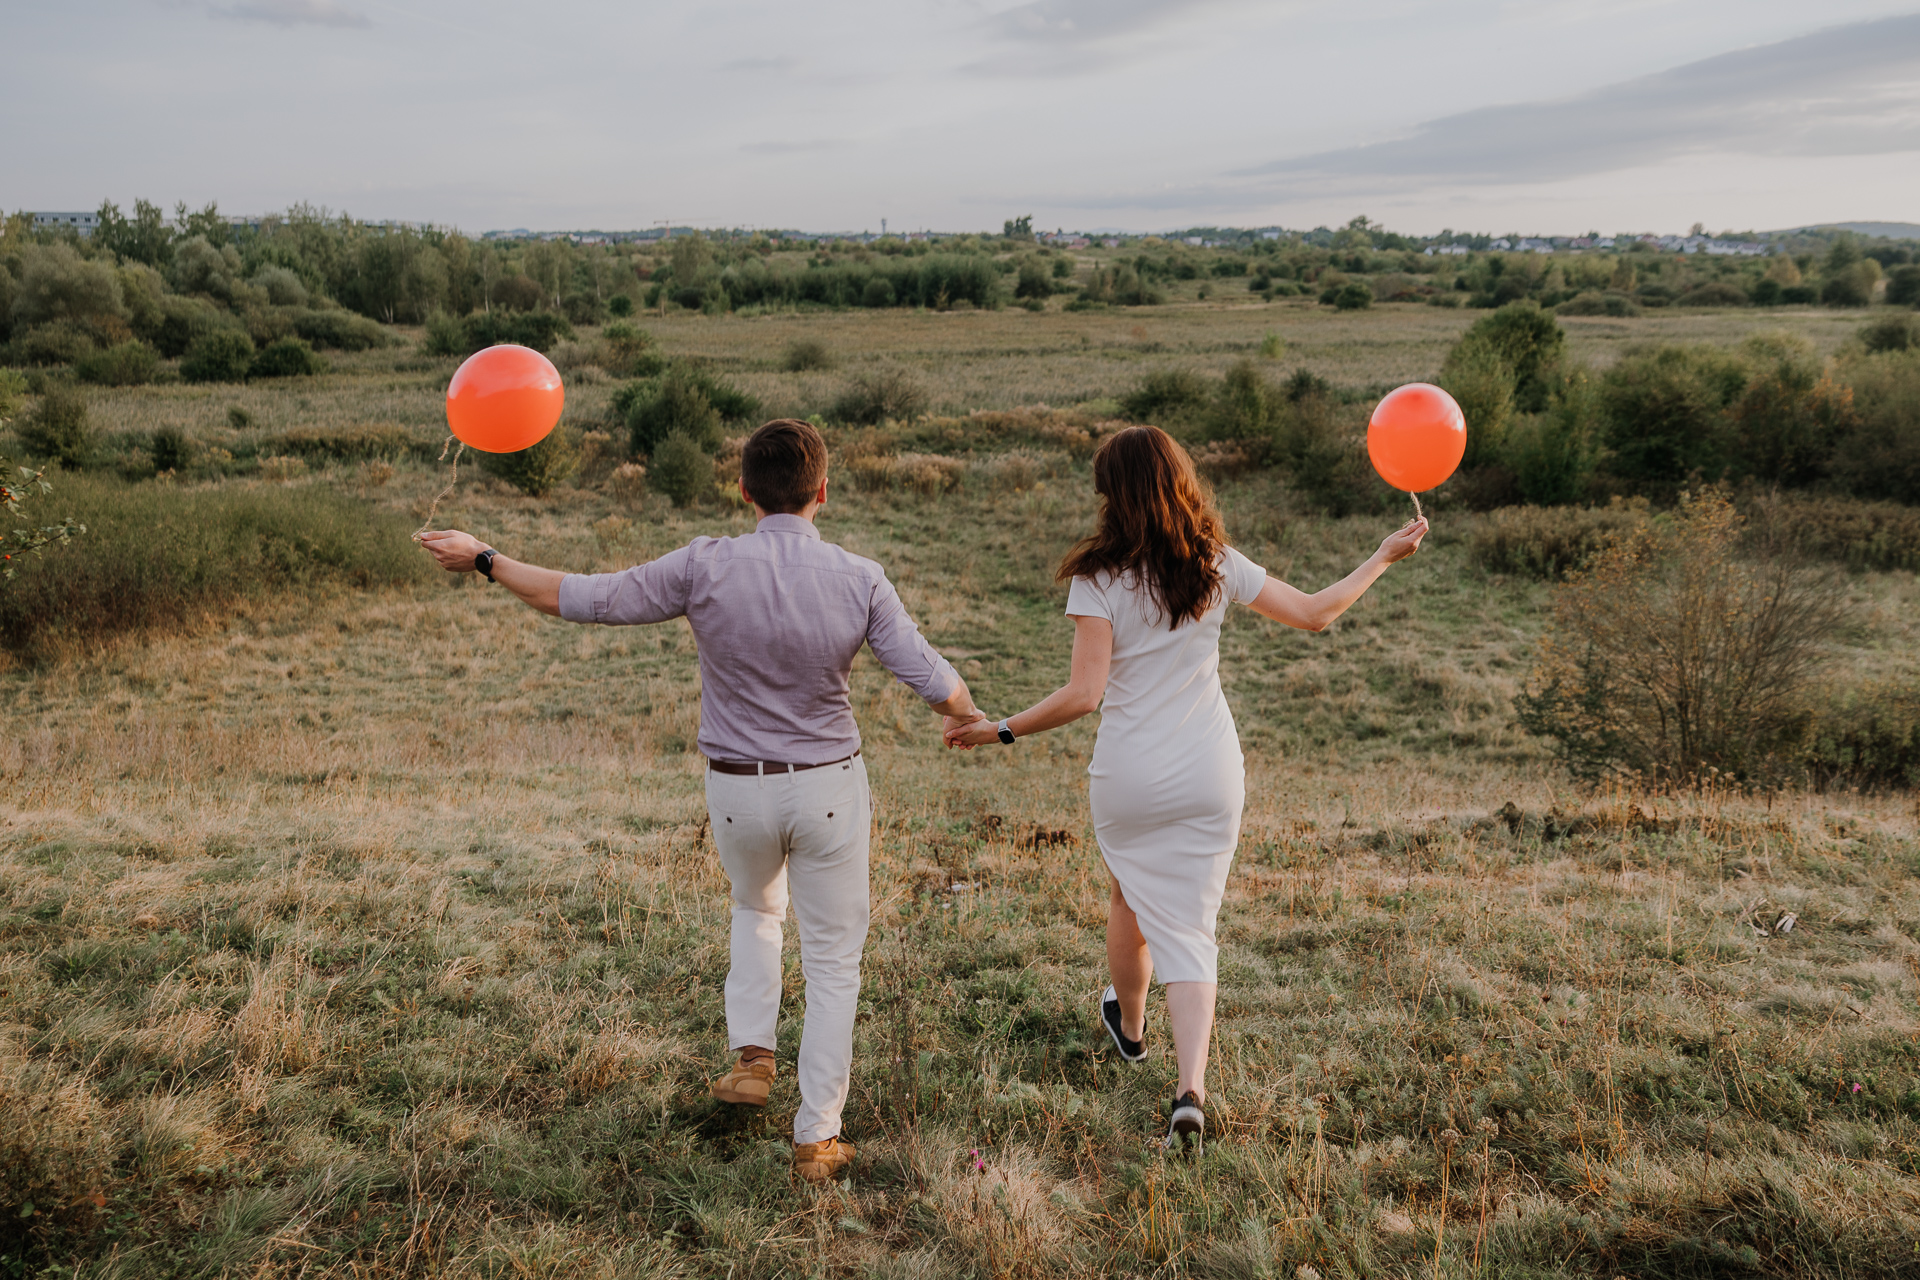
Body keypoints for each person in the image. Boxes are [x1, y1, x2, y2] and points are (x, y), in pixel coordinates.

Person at [418, 418, 986, 1184]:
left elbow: (578, 598)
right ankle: (816, 1138)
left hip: (735, 790)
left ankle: (753, 1057)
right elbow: (934, 680)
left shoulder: (703, 565)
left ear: (744, 490)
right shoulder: (860, 576)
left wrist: (484, 557)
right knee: (833, 966)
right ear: (823, 492)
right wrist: (968, 718)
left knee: (756, 911)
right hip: (826, 789)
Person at [946, 425, 1425, 1149]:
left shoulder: (1097, 578)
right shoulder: (1216, 564)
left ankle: (1132, 1031)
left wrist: (1000, 729)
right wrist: (1384, 556)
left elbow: (1083, 696)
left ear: (1113, 496)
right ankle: (1190, 1088)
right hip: (1208, 771)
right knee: (1193, 927)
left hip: (1130, 774)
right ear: (1180, 482)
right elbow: (1318, 613)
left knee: (1126, 894)